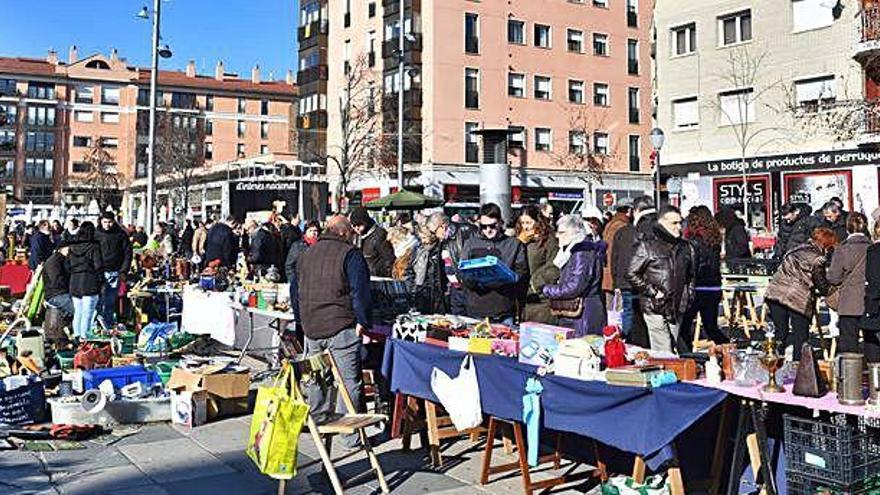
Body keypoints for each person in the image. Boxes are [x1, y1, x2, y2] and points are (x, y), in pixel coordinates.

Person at [297, 215, 370, 448]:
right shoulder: (350, 254)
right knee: (349, 382)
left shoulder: (306, 253)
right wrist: (363, 320)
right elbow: (360, 292)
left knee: (316, 379)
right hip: (340, 325)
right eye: (351, 232)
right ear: (343, 232)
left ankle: (317, 423)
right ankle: (350, 437)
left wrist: (302, 321)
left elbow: (295, 290)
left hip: (312, 325)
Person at [626, 205, 695, 353]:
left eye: (680, 223)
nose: (678, 227)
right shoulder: (647, 246)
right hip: (654, 305)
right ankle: (665, 373)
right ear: (662, 223)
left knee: (676, 345)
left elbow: (691, 276)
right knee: (663, 348)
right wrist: (653, 292)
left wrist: (688, 296)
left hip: (677, 307)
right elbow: (632, 273)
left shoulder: (686, 247)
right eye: (674, 223)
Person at [764, 227, 837, 360]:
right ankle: (798, 367)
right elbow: (820, 282)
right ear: (825, 244)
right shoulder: (818, 258)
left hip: (775, 293)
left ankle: (773, 363)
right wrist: (831, 291)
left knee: (780, 332)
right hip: (797, 298)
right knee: (800, 335)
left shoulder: (794, 250)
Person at [459, 203, 529, 324]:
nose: (488, 230)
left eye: (492, 226)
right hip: (476, 308)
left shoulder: (513, 244)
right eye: (484, 226)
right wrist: (472, 281)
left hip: (503, 308)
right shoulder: (470, 243)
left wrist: (507, 278)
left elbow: (521, 272)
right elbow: (463, 272)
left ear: (500, 223)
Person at [542, 215, 606, 337]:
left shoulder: (581, 252)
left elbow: (575, 286)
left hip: (583, 313)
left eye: (562, 232)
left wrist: (547, 289)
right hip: (581, 311)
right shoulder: (572, 251)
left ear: (574, 233)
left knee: (579, 350)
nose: (557, 236)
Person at [679, 206, 726, 350]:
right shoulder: (714, 239)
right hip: (713, 287)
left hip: (697, 287)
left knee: (684, 328)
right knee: (711, 326)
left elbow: (692, 266)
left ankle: (687, 356)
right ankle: (727, 349)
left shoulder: (693, 241)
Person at [611, 196, 656, 346]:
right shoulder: (656, 229)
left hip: (625, 281)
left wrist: (616, 281)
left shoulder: (622, 232)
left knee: (628, 314)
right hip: (645, 281)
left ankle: (626, 342)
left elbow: (614, 258)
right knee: (649, 316)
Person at [827, 212, 871, 358]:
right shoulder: (873, 249)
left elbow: (834, 278)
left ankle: (851, 377)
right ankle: (874, 376)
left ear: (847, 228)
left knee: (849, 345)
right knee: (873, 344)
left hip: (849, 303)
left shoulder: (842, 249)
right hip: (872, 301)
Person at [516, 206, 559, 323]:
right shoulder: (517, 239)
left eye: (529, 222)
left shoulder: (548, 239)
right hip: (521, 298)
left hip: (540, 298)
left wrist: (536, 283)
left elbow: (554, 265)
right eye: (523, 223)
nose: (525, 226)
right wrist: (518, 243)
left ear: (537, 221)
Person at [95, 211, 132, 326]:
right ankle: (98, 323)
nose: (107, 225)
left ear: (114, 221)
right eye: (105, 222)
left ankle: (108, 323)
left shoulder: (121, 235)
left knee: (110, 301)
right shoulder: (96, 234)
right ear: (101, 222)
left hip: (115, 271)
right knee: (98, 300)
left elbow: (128, 254)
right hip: (99, 271)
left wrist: (124, 271)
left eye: (109, 222)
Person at [68, 222, 103, 342]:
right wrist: (101, 281)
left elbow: (67, 265)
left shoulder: (72, 247)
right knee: (88, 314)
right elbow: (98, 266)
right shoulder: (94, 247)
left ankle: (77, 337)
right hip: (89, 281)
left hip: (74, 281)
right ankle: (85, 339)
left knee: (78, 312)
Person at [406, 224, 447, 314]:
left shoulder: (440, 248)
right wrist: (412, 287)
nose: (423, 241)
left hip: (437, 292)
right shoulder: (418, 249)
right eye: (421, 238)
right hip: (420, 291)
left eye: (425, 237)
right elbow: (409, 269)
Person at [285, 220, 320, 320]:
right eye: (311, 230)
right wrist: (294, 281)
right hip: (300, 284)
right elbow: (289, 265)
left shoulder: (321, 246)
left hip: (317, 285)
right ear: (305, 232)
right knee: (300, 316)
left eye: (316, 231)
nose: (314, 233)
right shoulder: (297, 246)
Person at [349, 207, 395, 277]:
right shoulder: (355, 236)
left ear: (366, 222)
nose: (356, 228)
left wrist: (376, 271)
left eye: (359, 225)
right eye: (354, 226)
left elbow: (388, 259)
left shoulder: (380, 235)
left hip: (376, 278)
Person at [859, 221, 880, 363]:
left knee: (872, 341)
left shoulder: (875, 251)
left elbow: (875, 280)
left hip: (877, 303)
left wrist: (870, 306)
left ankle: (876, 380)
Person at [602, 205, 631, 300]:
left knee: (610, 310)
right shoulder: (623, 226)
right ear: (629, 211)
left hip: (607, 274)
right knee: (619, 310)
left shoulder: (610, 224)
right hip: (616, 276)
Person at [43, 241, 73, 317]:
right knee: (79, 309)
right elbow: (57, 281)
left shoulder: (64, 260)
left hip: (62, 293)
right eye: (69, 248)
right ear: (61, 249)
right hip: (55, 294)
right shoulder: (53, 261)